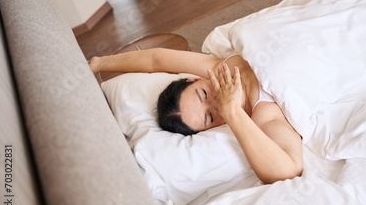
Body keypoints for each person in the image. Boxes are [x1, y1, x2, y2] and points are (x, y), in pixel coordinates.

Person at [89, 48, 303, 184]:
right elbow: (288, 170)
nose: (218, 101)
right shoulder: (264, 113)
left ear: (194, 80)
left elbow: (156, 60)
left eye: (204, 94)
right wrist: (232, 111)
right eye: (210, 117)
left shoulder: (216, 68)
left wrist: (100, 63)